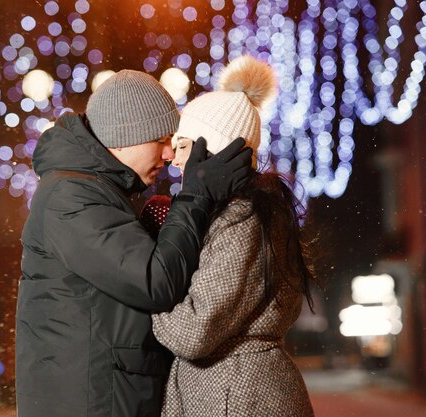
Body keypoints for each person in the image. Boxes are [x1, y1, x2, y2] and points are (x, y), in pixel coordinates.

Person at [15, 70, 252, 417]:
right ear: (124, 137)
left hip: (106, 395)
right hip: (90, 402)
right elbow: (157, 282)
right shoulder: (71, 197)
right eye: (160, 140)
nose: (169, 154)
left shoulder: (98, 190)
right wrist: (195, 197)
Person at [151, 55, 317, 416]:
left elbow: (194, 332)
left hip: (238, 396)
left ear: (211, 151)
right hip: (236, 389)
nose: (174, 161)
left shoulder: (241, 217)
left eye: (183, 146)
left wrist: (146, 291)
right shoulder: (247, 212)